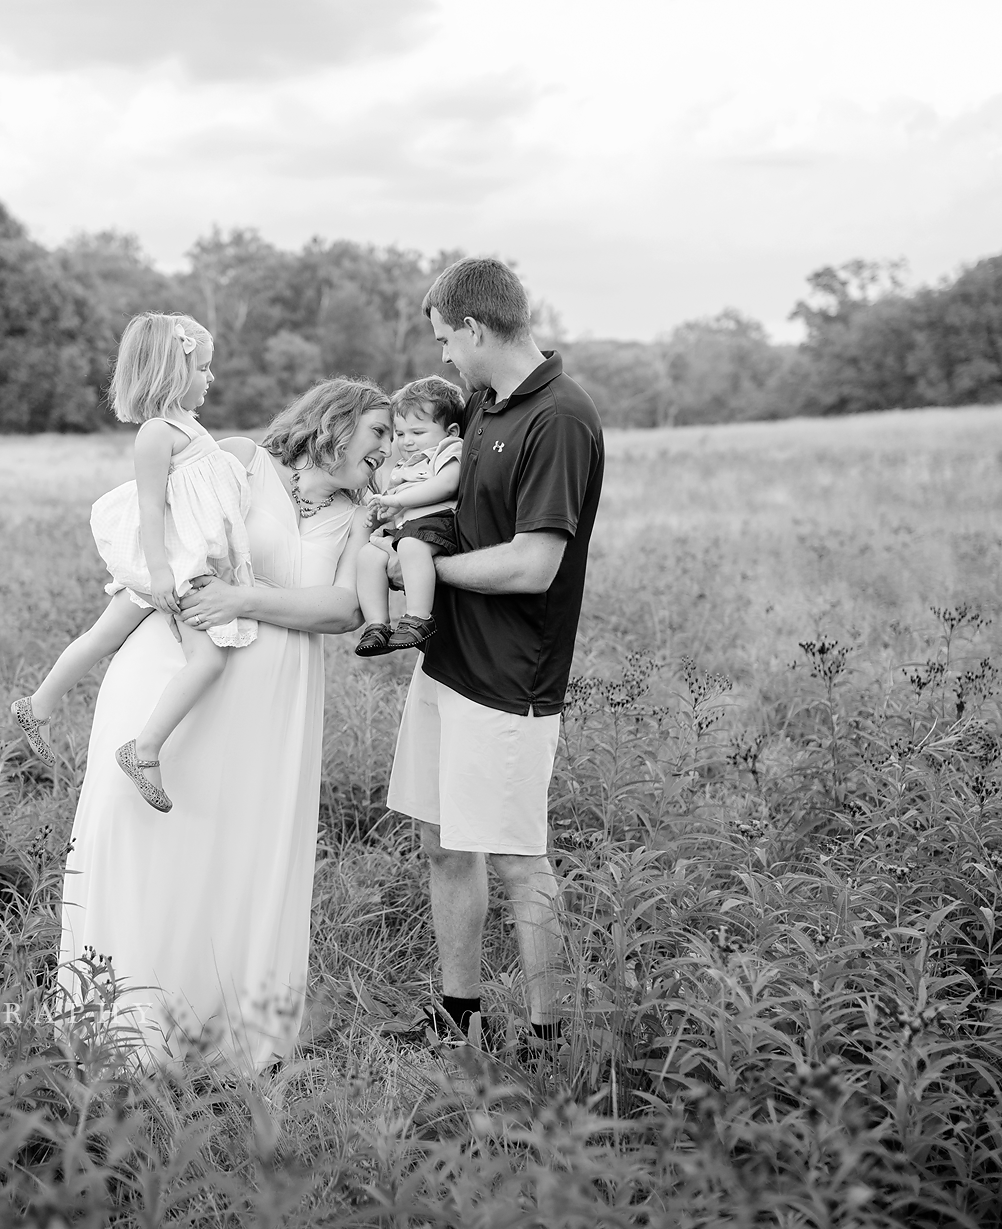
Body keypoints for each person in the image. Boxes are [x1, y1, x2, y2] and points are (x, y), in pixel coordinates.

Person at [54, 378, 394, 1072]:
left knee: (249, 851)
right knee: (169, 841)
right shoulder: (240, 459)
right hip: (198, 675)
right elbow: (166, 534)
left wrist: (245, 595)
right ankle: (135, 1025)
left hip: (280, 700)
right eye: (379, 432)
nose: (386, 449)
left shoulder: (363, 512)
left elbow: (342, 609)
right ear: (338, 421)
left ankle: (232, 1032)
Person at [380, 257, 604, 1056]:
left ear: (475, 328)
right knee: (442, 844)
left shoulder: (561, 419)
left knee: (518, 862)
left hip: (511, 682)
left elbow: (532, 564)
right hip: (447, 665)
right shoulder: (480, 405)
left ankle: (547, 1037)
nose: (444, 356)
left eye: (447, 339)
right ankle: (457, 1014)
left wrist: (427, 572)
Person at [11, 312, 254, 812]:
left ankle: (36, 706)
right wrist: (163, 573)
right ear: (173, 371)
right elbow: (150, 506)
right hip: (172, 566)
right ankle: (141, 750)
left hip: (183, 559)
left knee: (104, 635)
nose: (211, 378)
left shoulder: (187, 425)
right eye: (203, 368)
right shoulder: (155, 433)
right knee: (206, 659)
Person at [353, 376, 467, 658]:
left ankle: (418, 616)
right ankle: (377, 625)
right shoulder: (405, 466)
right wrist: (384, 512)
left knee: (410, 546)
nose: (407, 442)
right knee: (369, 555)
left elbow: (447, 484)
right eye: (401, 435)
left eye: (417, 433)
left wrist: (398, 499)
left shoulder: (449, 449)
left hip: (438, 522)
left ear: (450, 431)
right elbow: (398, 504)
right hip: (407, 528)